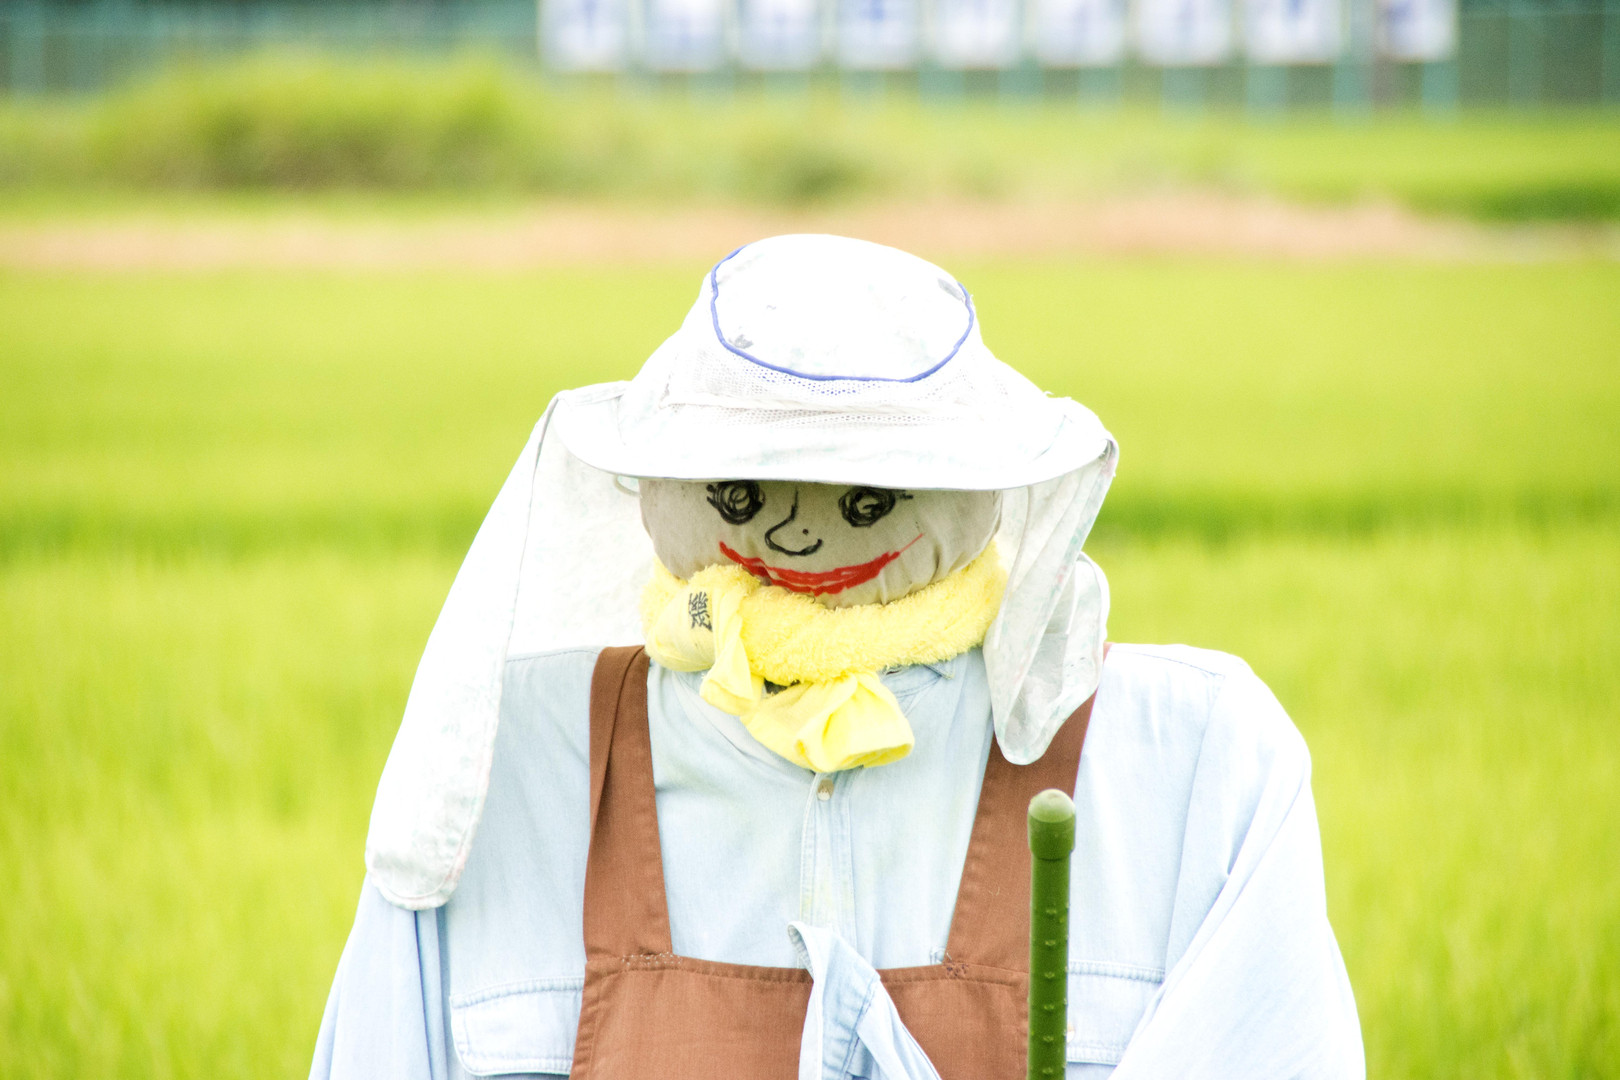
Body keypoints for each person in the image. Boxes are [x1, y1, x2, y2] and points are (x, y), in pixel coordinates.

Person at [310, 235, 1363, 1079]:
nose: (798, 532)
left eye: (869, 497)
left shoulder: (1193, 761)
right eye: (740, 492)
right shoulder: (495, 772)